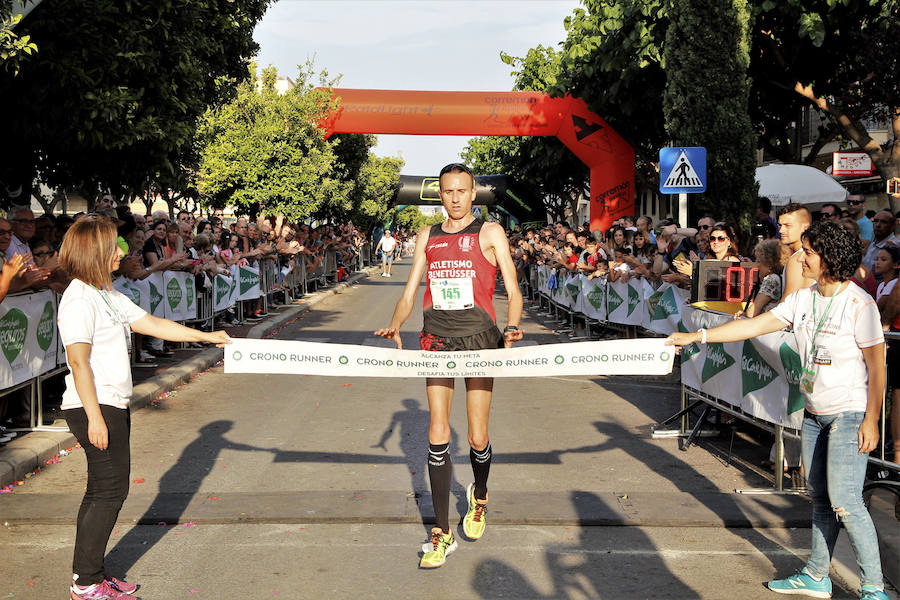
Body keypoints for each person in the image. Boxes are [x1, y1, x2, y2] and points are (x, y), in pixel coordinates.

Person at [666, 221, 890, 600]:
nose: (801, 259)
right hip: (815, 413)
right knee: (819, 497)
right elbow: (753, 326)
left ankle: (873, 588)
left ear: (830, 257)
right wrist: (697, 336)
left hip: (849, 413)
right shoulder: (804, 299)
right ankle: (817, 575)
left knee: (846, 502)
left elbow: (877, 366)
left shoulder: (859, 304)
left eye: (810, 252)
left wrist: (871, 418)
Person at [57, 215, 230, 600]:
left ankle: (91, 573)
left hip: (110, 403)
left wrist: (206, 336)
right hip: (94, 406)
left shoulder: (104, 292)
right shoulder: (78, 299)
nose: (122, 253)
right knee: (109, 492)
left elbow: (150, 322)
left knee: (103, 491)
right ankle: (85, 584)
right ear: (93, 252)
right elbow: (78, 362)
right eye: (112, 247)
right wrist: (95, 419)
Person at [375, 163, 523, 569]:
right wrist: (395, 323)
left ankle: (480, 497)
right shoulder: (428, 236)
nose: (455, 197)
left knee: (476, 436)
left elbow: (512, 289)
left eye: (462, 190)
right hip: (437, 336)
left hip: (479, 339)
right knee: (437, 430)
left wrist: (512, 326)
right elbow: (410, 293)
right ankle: (440, 532)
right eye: (447, 191)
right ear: (438, 195)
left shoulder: (490, 233)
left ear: (473, 193)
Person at [778, 203, 814, 299]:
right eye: (780, 225)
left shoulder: (798, 259)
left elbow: (787, 306)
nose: (781, 230)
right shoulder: (811, 255)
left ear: (805, 227)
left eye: (787, 225)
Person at [862, 210, 898, 276]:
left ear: (893, 225)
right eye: (875, 221)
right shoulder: (873, 244)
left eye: (884, 222)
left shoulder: (894, 247)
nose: (878, 225)